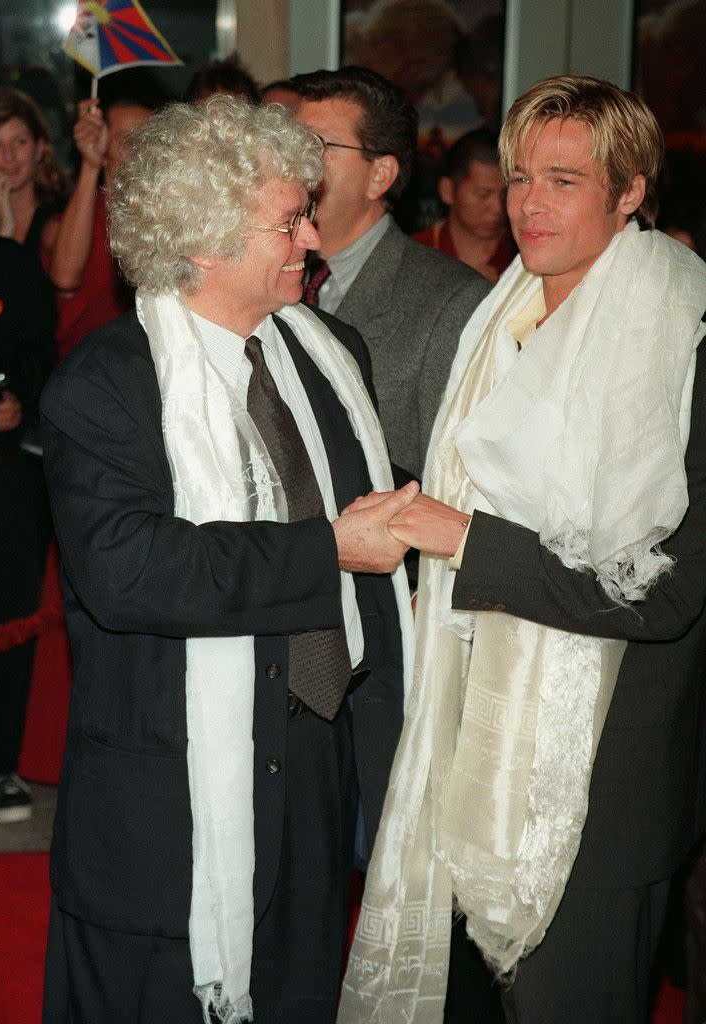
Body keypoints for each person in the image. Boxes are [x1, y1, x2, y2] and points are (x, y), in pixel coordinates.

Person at [339, 75, 706, 1024]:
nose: (530, 204)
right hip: (475, 738)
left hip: (603, 783)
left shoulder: (682, 341)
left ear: (631, 192)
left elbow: (659, 595)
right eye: (517, 179)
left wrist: (463, 539)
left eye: (565, 179)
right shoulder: (500, 318)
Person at [41, 95, 414, 1024]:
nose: (312, 237)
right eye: (288, 220)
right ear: (203, 243)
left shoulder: (331, 355)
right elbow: (129, 571)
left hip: (315, 761)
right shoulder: (107, 385)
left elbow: (363, 490)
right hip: (170, 795)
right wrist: (329, 550)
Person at [292, 66, 489, 481]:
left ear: (379, 175)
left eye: (315, 146)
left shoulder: (452, 302)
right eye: (290, 143)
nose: (294, 163)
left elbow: (450, 483)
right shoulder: (275, 275)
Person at [0, 237, 56, 821]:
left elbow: (42, 347)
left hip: (4, 466)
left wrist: (17, 399)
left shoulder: (10, 263)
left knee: (8, 616)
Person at [48, 88, 156, 356]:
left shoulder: (166, 219)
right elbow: (65, 277)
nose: (142, 153)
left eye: (150, 141)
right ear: (104, 145)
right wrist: (90, 163)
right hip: (88, 371)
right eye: (128, 142)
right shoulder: (79, 218)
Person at [413, 128, 515, 282]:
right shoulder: (416, 254)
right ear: (447, 191)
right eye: (483, 194)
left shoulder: (525, 254)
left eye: (505, 194)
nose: (498, 208)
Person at [0, 87, 67, 264]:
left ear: (40, 148)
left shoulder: (62, 216)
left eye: (19, 142)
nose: (8, 155)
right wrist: (5, 230)